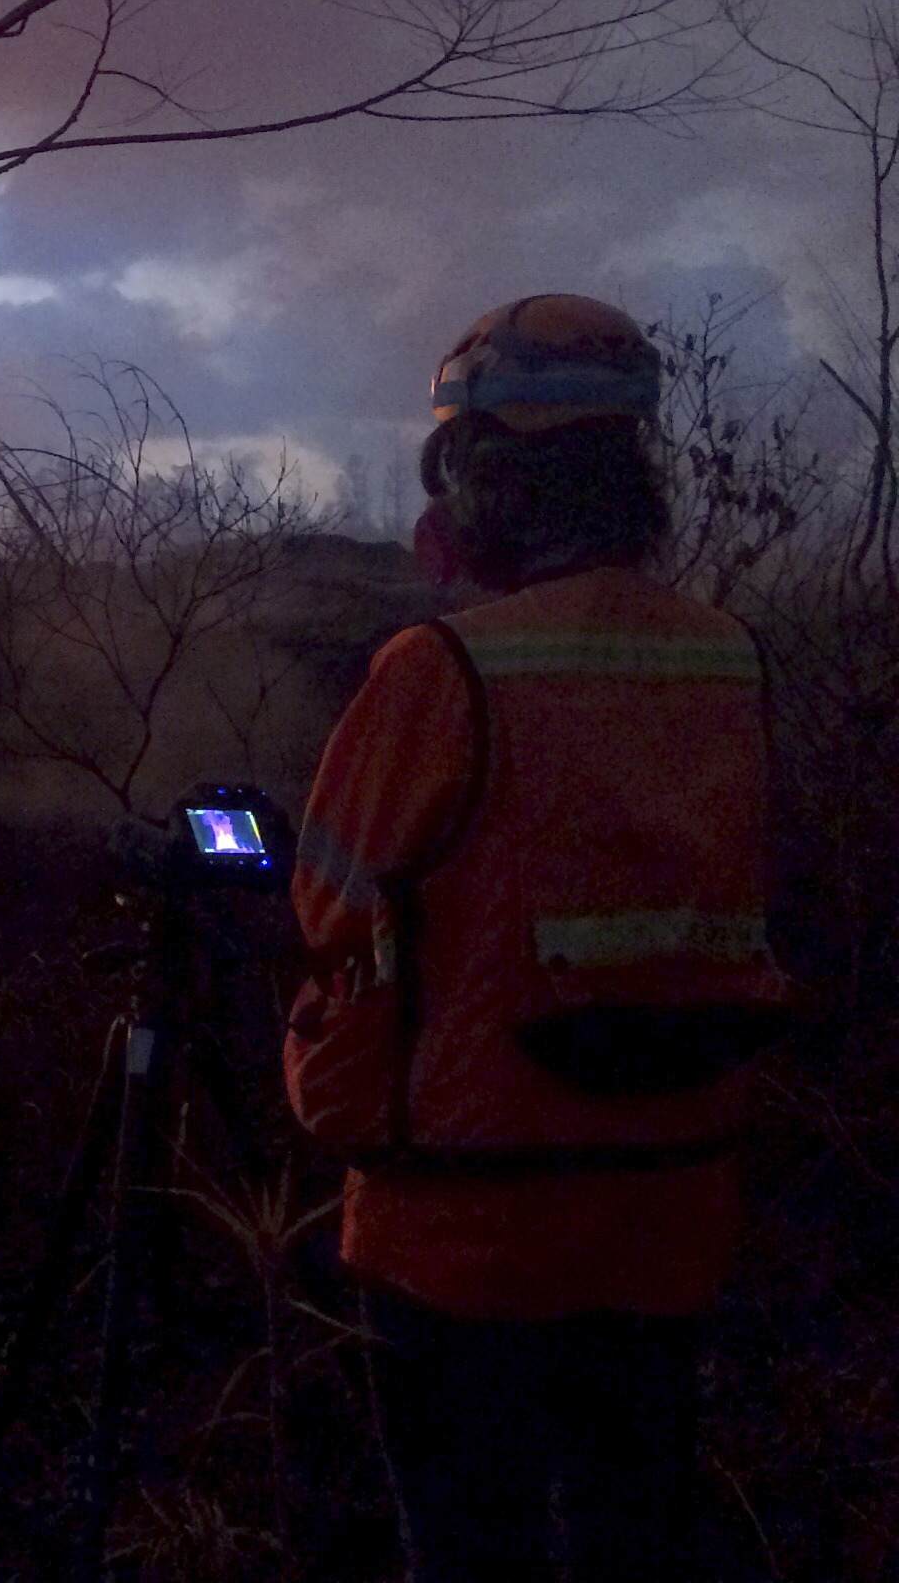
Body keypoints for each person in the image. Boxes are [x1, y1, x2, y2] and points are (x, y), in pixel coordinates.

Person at [283, 295, 792, 1582]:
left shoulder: (441, 669)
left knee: (469, 1549)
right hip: (670, 1208)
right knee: (637, 1537)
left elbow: (330, 901)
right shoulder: (731, 658)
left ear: (476, 480)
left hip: (462, 1231)